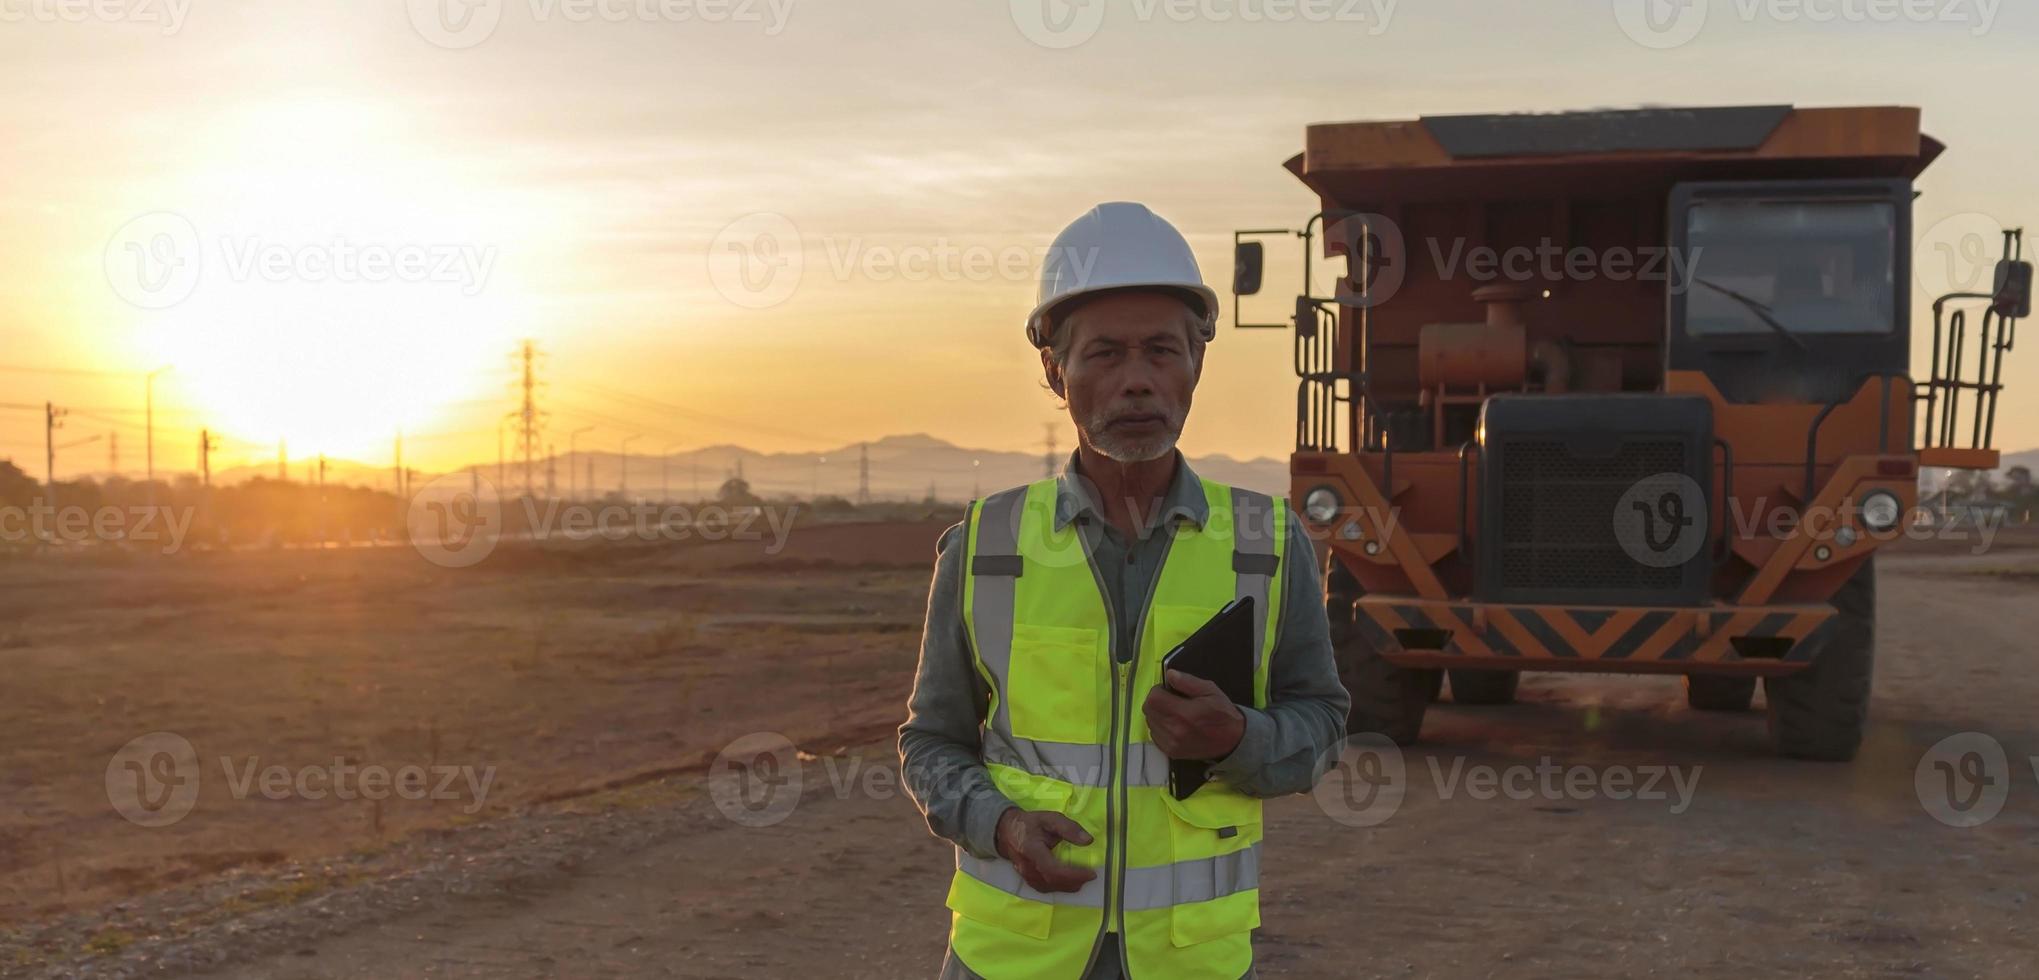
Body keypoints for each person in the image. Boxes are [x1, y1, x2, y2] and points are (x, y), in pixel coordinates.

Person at [897, 202, 1350, 979]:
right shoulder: (985, 547)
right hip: (1013, 959)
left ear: (1196, 365)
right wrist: (1000, 825)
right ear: (1054, 371)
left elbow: (1322, 723)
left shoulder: (1270, 546)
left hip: (1189, 961)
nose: (1137, 381)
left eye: (1162, 352)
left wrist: (1239, 742)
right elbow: (929, 741)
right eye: (1104, 354)